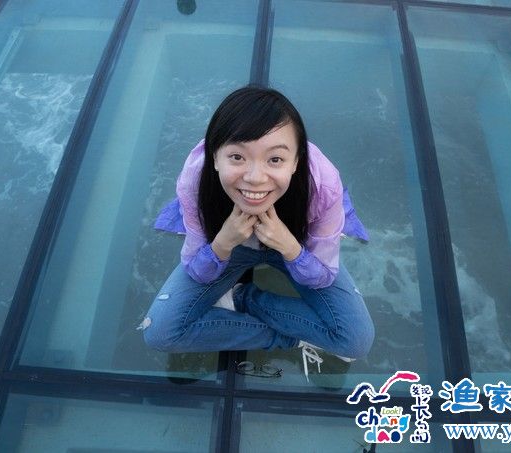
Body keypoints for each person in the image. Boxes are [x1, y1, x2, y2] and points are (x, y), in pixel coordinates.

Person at [141, 86, 374, 380]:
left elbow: (323, 274)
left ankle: (243, 298)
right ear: (214, 157)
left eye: (275, 159)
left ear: (296, 161)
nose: (254, 178)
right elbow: (197, 269)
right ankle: (294, 337)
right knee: (160, 332)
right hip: (229, 242)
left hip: (294, 244)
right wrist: (222, 243)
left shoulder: (324, 185)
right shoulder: (195, 180)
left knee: (355, 340)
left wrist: (290, 247)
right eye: (237, 157)